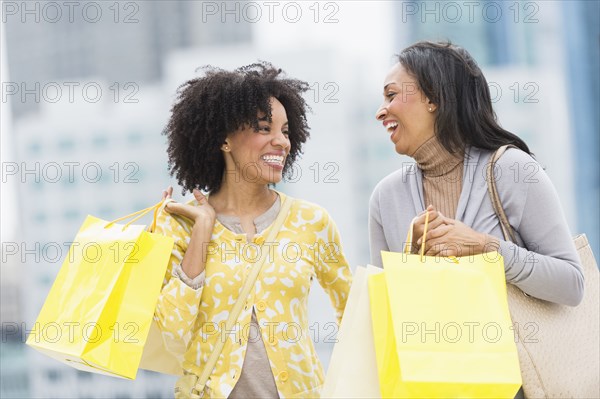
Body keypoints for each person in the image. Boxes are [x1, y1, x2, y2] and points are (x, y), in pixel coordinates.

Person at [153, 62, 352, 398]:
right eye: (264, 128)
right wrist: (203, 231)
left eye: (286, 131)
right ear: (224, 140)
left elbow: (354, 314)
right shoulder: (178, 223)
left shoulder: (311, 222)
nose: (281, 143)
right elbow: (170, 329)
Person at [369, 41, 584, 307]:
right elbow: (383, 313)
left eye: (391, 95)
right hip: (431, 349)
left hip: (516, 348)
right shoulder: (385, 198)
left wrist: (486, 248)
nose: (380, 112)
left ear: (433, 97)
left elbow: (572, 284)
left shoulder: (512, 170)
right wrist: (410, 256)